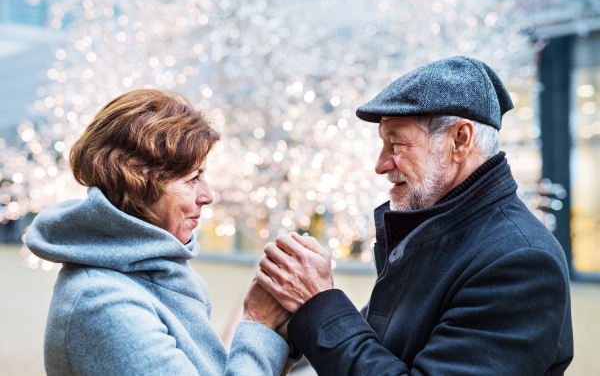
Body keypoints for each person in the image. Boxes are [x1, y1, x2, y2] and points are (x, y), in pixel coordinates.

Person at [256, 56, 574, 375]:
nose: (380, 164)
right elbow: (374, 351)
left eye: (395, 143)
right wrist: (297, 319)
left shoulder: (520, 262)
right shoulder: (431, 237)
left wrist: (319, 304)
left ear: (459, 140)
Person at [27, 89, 295, 376]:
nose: (208, 196)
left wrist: (279, 334)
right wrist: (259, 322)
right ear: (137, 182)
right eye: (193, 179)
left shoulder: (151, 276)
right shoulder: (103, 304)